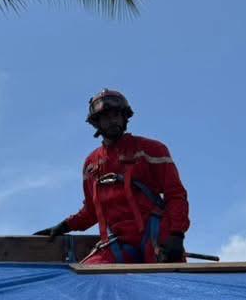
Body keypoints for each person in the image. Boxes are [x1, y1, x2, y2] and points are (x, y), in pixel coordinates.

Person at [37, 89, 189, 264]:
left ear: (125, 118)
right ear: (96, 123)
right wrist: (64, 226)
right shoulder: (91, 164)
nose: (113, 120)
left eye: (117, 115)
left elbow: (175, 194)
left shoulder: (151, 149)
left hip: (156, 237)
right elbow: (91, 212)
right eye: (106, 117)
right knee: (88, 276)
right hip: (119, 242)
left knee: (167, 283)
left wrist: (177, 235)